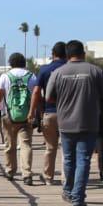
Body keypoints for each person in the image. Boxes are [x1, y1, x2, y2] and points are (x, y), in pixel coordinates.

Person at [43, 40, 103, 206]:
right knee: (83, 160)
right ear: (83, 53)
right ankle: (78, 198)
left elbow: (48, 98)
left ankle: (68, 191)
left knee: (68, 159)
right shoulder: (96, 71)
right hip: (88, 122)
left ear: (67, 55)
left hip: (65, 122)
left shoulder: (58, 72)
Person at [0, 52, 37, 182]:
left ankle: (10, 171)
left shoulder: (5, 76)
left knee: (10, 145)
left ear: (10, 63)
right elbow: (37, 96)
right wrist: (35, 113)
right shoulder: (31, 76)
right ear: (24, 63)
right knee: (26, 145)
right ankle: (27, 174)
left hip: (8, 115)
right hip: (26, 116)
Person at [28, 41, 68, 184]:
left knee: (50, 147)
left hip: (49, 113)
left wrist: (32, 112)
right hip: (68, 114)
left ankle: (48, 177)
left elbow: (37, 92)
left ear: (53, 54)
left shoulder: (45, 70)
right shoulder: (69, 68)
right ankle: (66, 177)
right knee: (66, 148)